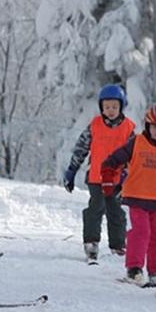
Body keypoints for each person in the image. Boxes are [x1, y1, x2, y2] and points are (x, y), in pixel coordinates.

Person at [101, 102, 156, 286]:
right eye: (155, 127)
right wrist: (108, 175)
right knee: (141, 232)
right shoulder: (137, 142)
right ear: (147, 125)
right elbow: (113, 160)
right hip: (136, 196)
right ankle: (134, 268)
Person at [63, 84, 135, 263]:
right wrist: (72, 170)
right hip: (96, 178)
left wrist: (128, 174)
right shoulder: (94, 126)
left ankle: (118, 246)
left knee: (116, 212)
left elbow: (135, 156)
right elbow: (81, 149)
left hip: (119, 180)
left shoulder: (129, 129)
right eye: (107, 107)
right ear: (101, 107)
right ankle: (91, 243)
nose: (110, 111)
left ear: (121, 106)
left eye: (114, 107)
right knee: (95, 210)